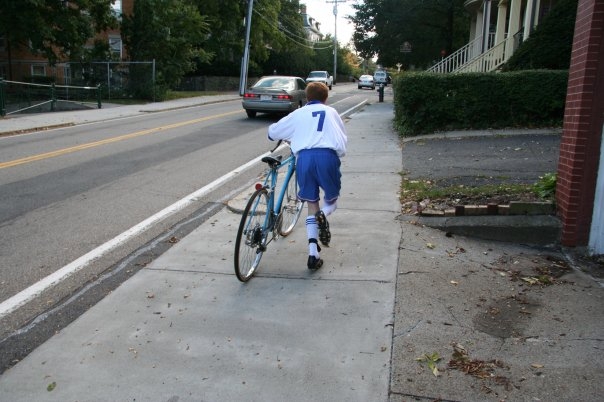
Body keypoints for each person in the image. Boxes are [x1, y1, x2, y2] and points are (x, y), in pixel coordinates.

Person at [267, 82, 348, 270]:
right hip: (327, 156)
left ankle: (313, 253)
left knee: (311, 203)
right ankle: (324, 214)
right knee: (331, 201)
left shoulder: (299, 113)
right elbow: (342, 140)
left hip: (304, 158)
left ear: (307, 97)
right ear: (326, 98)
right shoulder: (332, 112)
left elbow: (272, 133)